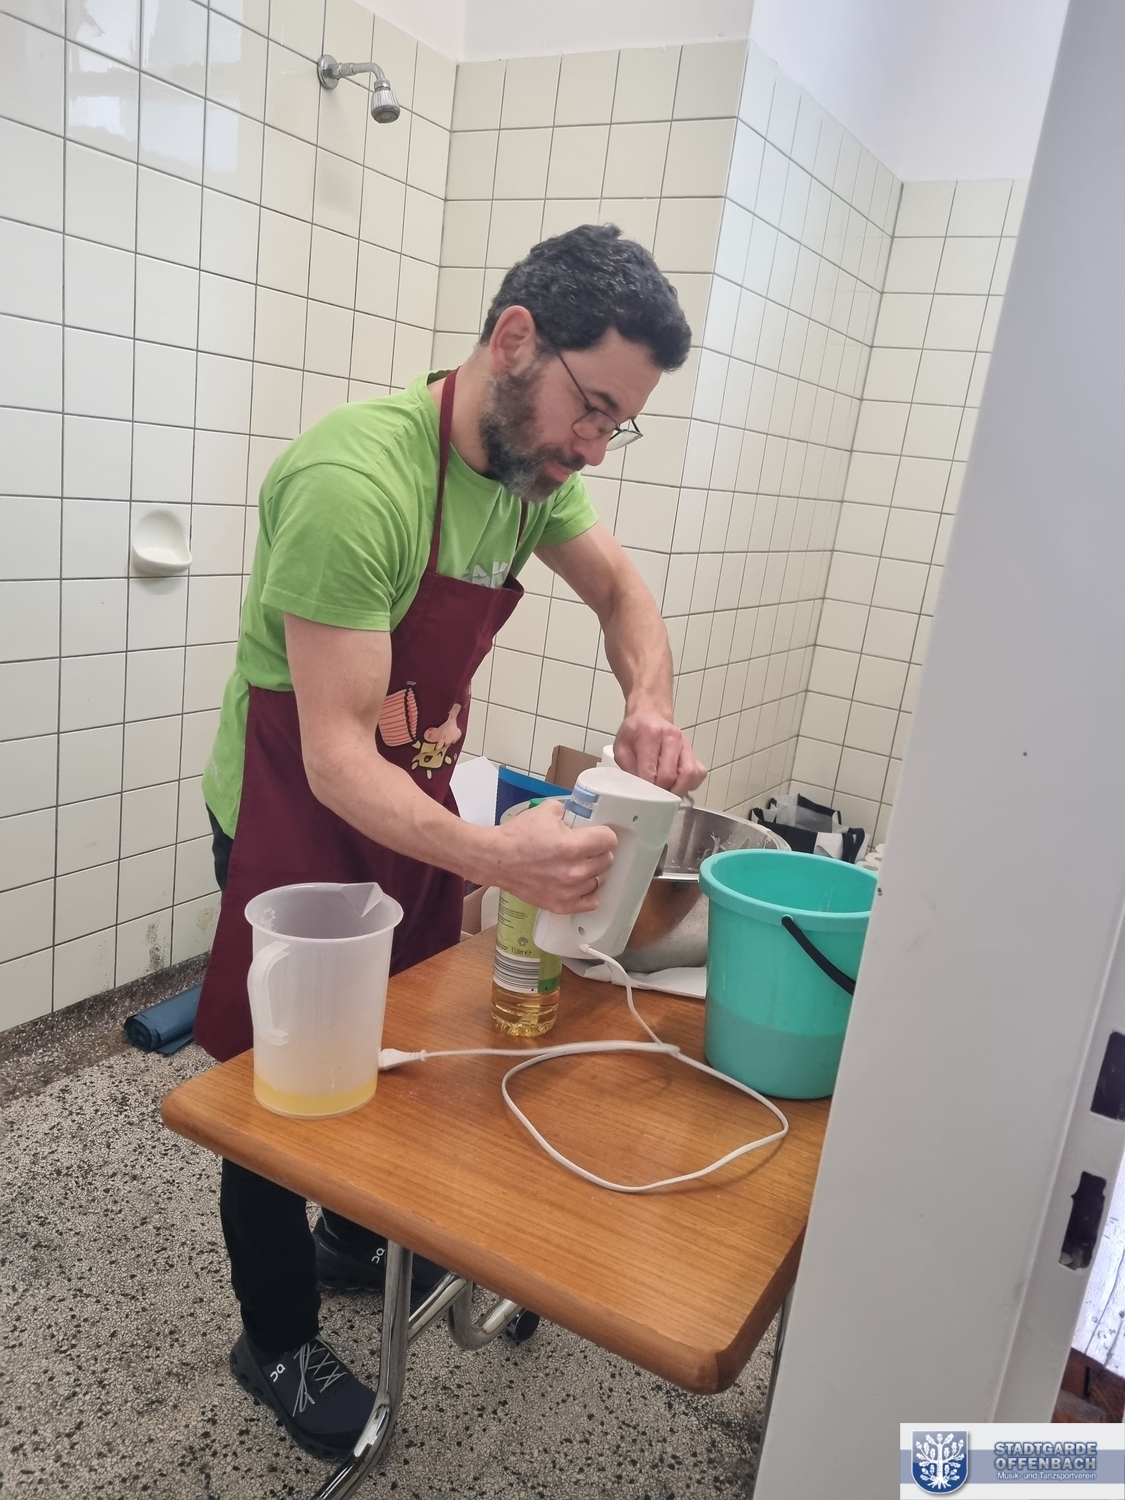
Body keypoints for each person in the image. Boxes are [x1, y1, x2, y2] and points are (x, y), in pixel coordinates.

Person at [193, 223, 706, 1461]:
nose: (594, 447)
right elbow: (332, 757)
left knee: (397, 1042)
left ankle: (347, 1237)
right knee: (279, 1086)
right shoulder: (355, 482)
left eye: (618, 426)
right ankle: (274, 1338)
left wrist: (649, 699)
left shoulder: (535, 474)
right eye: (593, 409)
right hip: (293, 817)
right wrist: (500, 860)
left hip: (410, 799)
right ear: (515, 339)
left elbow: (624, 592)